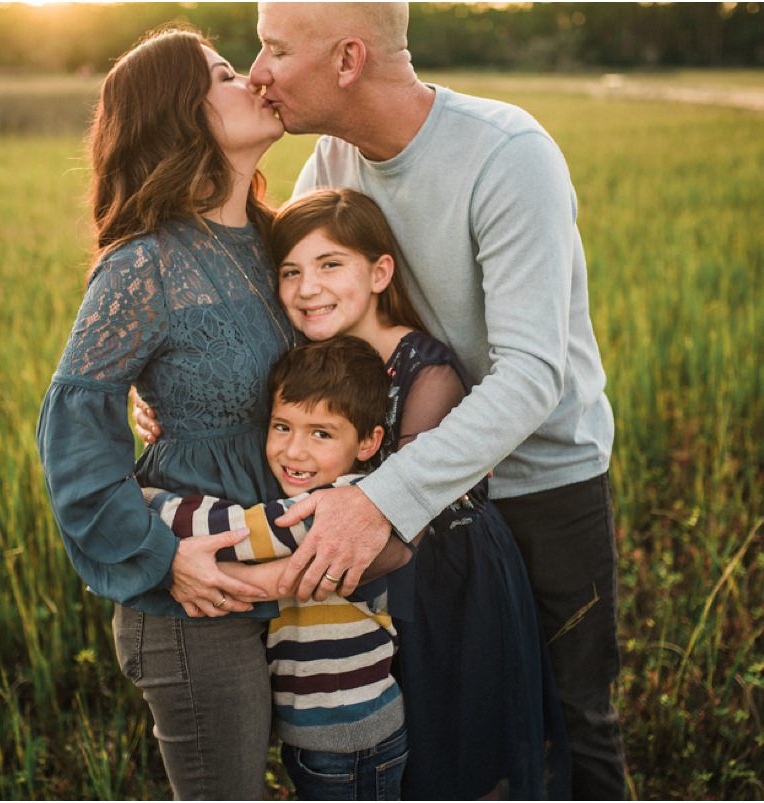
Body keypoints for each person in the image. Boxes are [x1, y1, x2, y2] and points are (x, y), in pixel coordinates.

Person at [249, 4, 626, 798]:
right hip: (418, 498)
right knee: (442, 718)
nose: (259, 73)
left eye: (276, 49)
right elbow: (294, 309)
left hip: (541, 484)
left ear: (347, 60)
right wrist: (180, 396)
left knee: (572, 720)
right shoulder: (332, 162)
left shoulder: (507, 155)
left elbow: (530, 374)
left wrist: (382, 499)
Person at [35, 25, 296, 800]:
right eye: (220, 74)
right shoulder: (143, 264)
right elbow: (73, 427)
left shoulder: (282, 242)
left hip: (298, 574)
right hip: (198, 594)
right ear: (181, 116)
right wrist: (159, 556)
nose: (249, 78)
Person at [270, 189, 570, 799]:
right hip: (364, 589)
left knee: (446, 754)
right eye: (290, 271)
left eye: (331, 265)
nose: (307, 288)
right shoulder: (308, 361)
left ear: (380, 273)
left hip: (446, 582)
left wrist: (261, 582)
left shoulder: (427, 372)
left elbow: (403, 523)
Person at [146, 336, 412, 801]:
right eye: (282, 427)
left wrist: (142, 502)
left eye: (321, 434)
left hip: (351, 739)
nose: (294, 451)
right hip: (321, 734)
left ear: (368, 442)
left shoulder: (336, 509)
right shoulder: (314, 490)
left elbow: (236, 530)